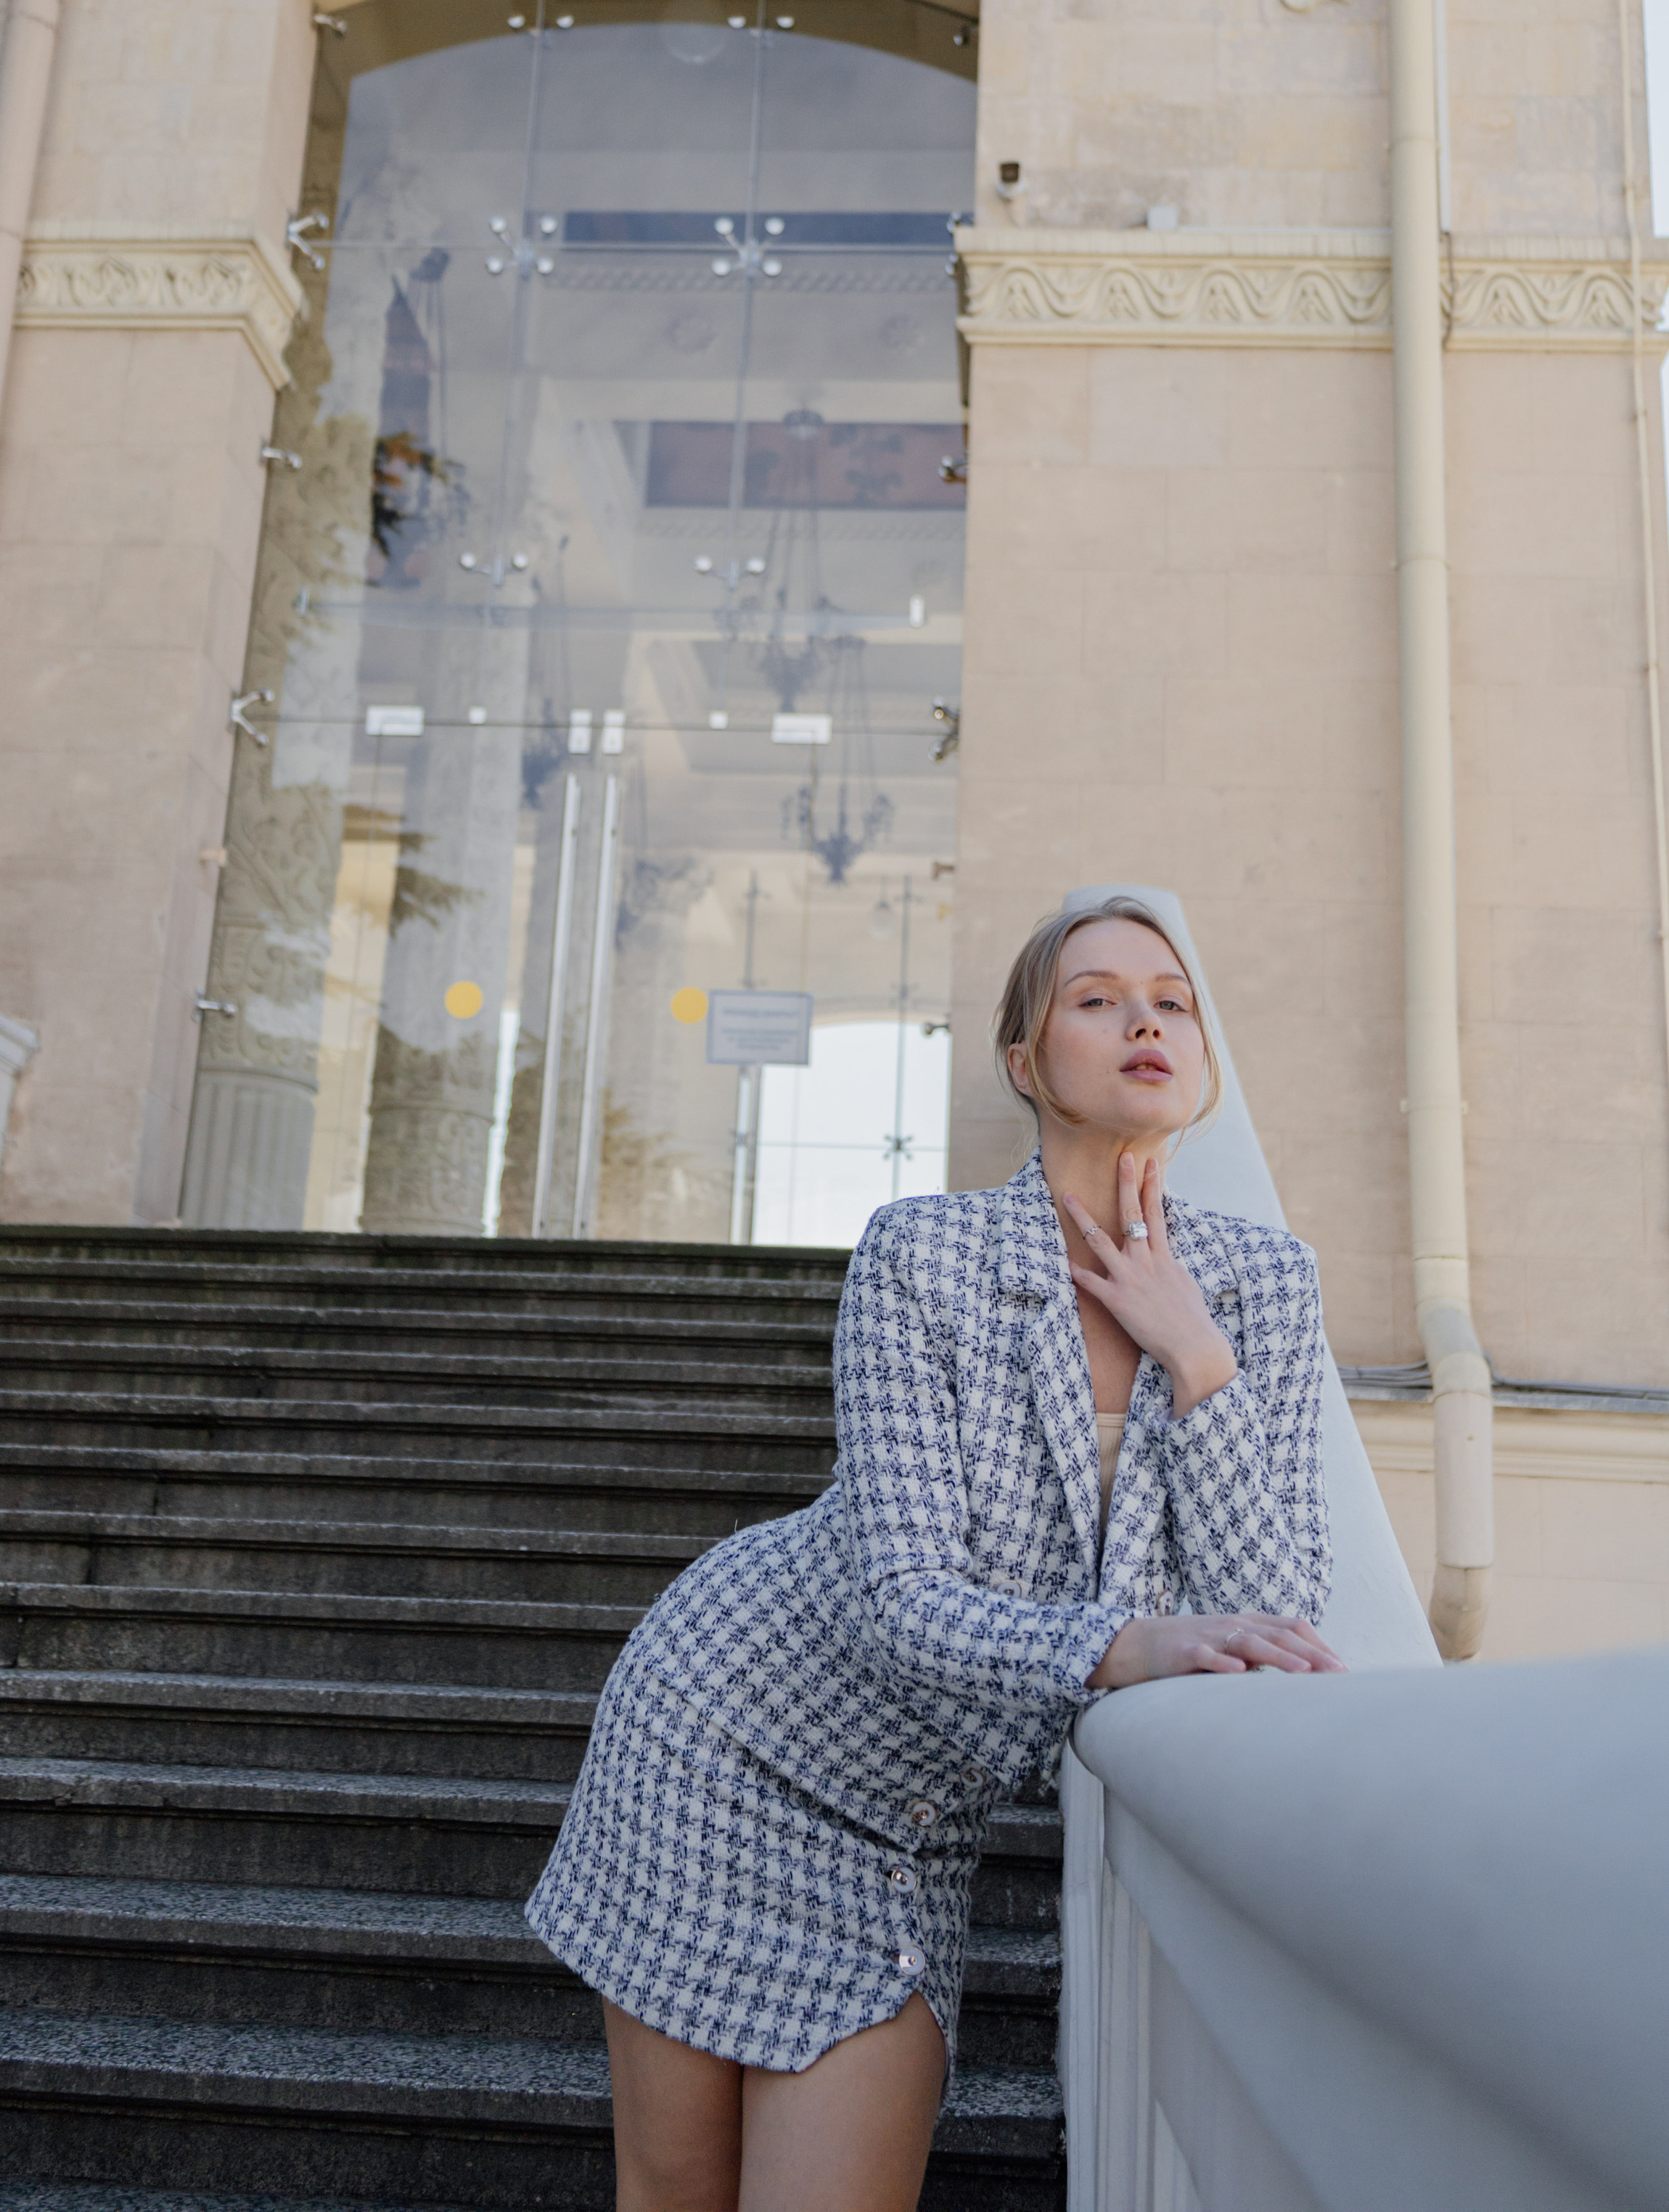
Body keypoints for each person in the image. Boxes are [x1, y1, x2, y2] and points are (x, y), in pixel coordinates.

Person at [525, 894, 1342, 2211]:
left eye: (1173, 999)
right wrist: (1122, 1646)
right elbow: (906, 1598)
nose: (1145, 1016)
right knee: (676, 2192)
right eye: (1094, 996)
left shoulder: (1265, 1283)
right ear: (1025, 1061)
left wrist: (1197, 1355)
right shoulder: (924, 1254)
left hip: (906, 1830)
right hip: (729, 1730)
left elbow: (1275, 1605)